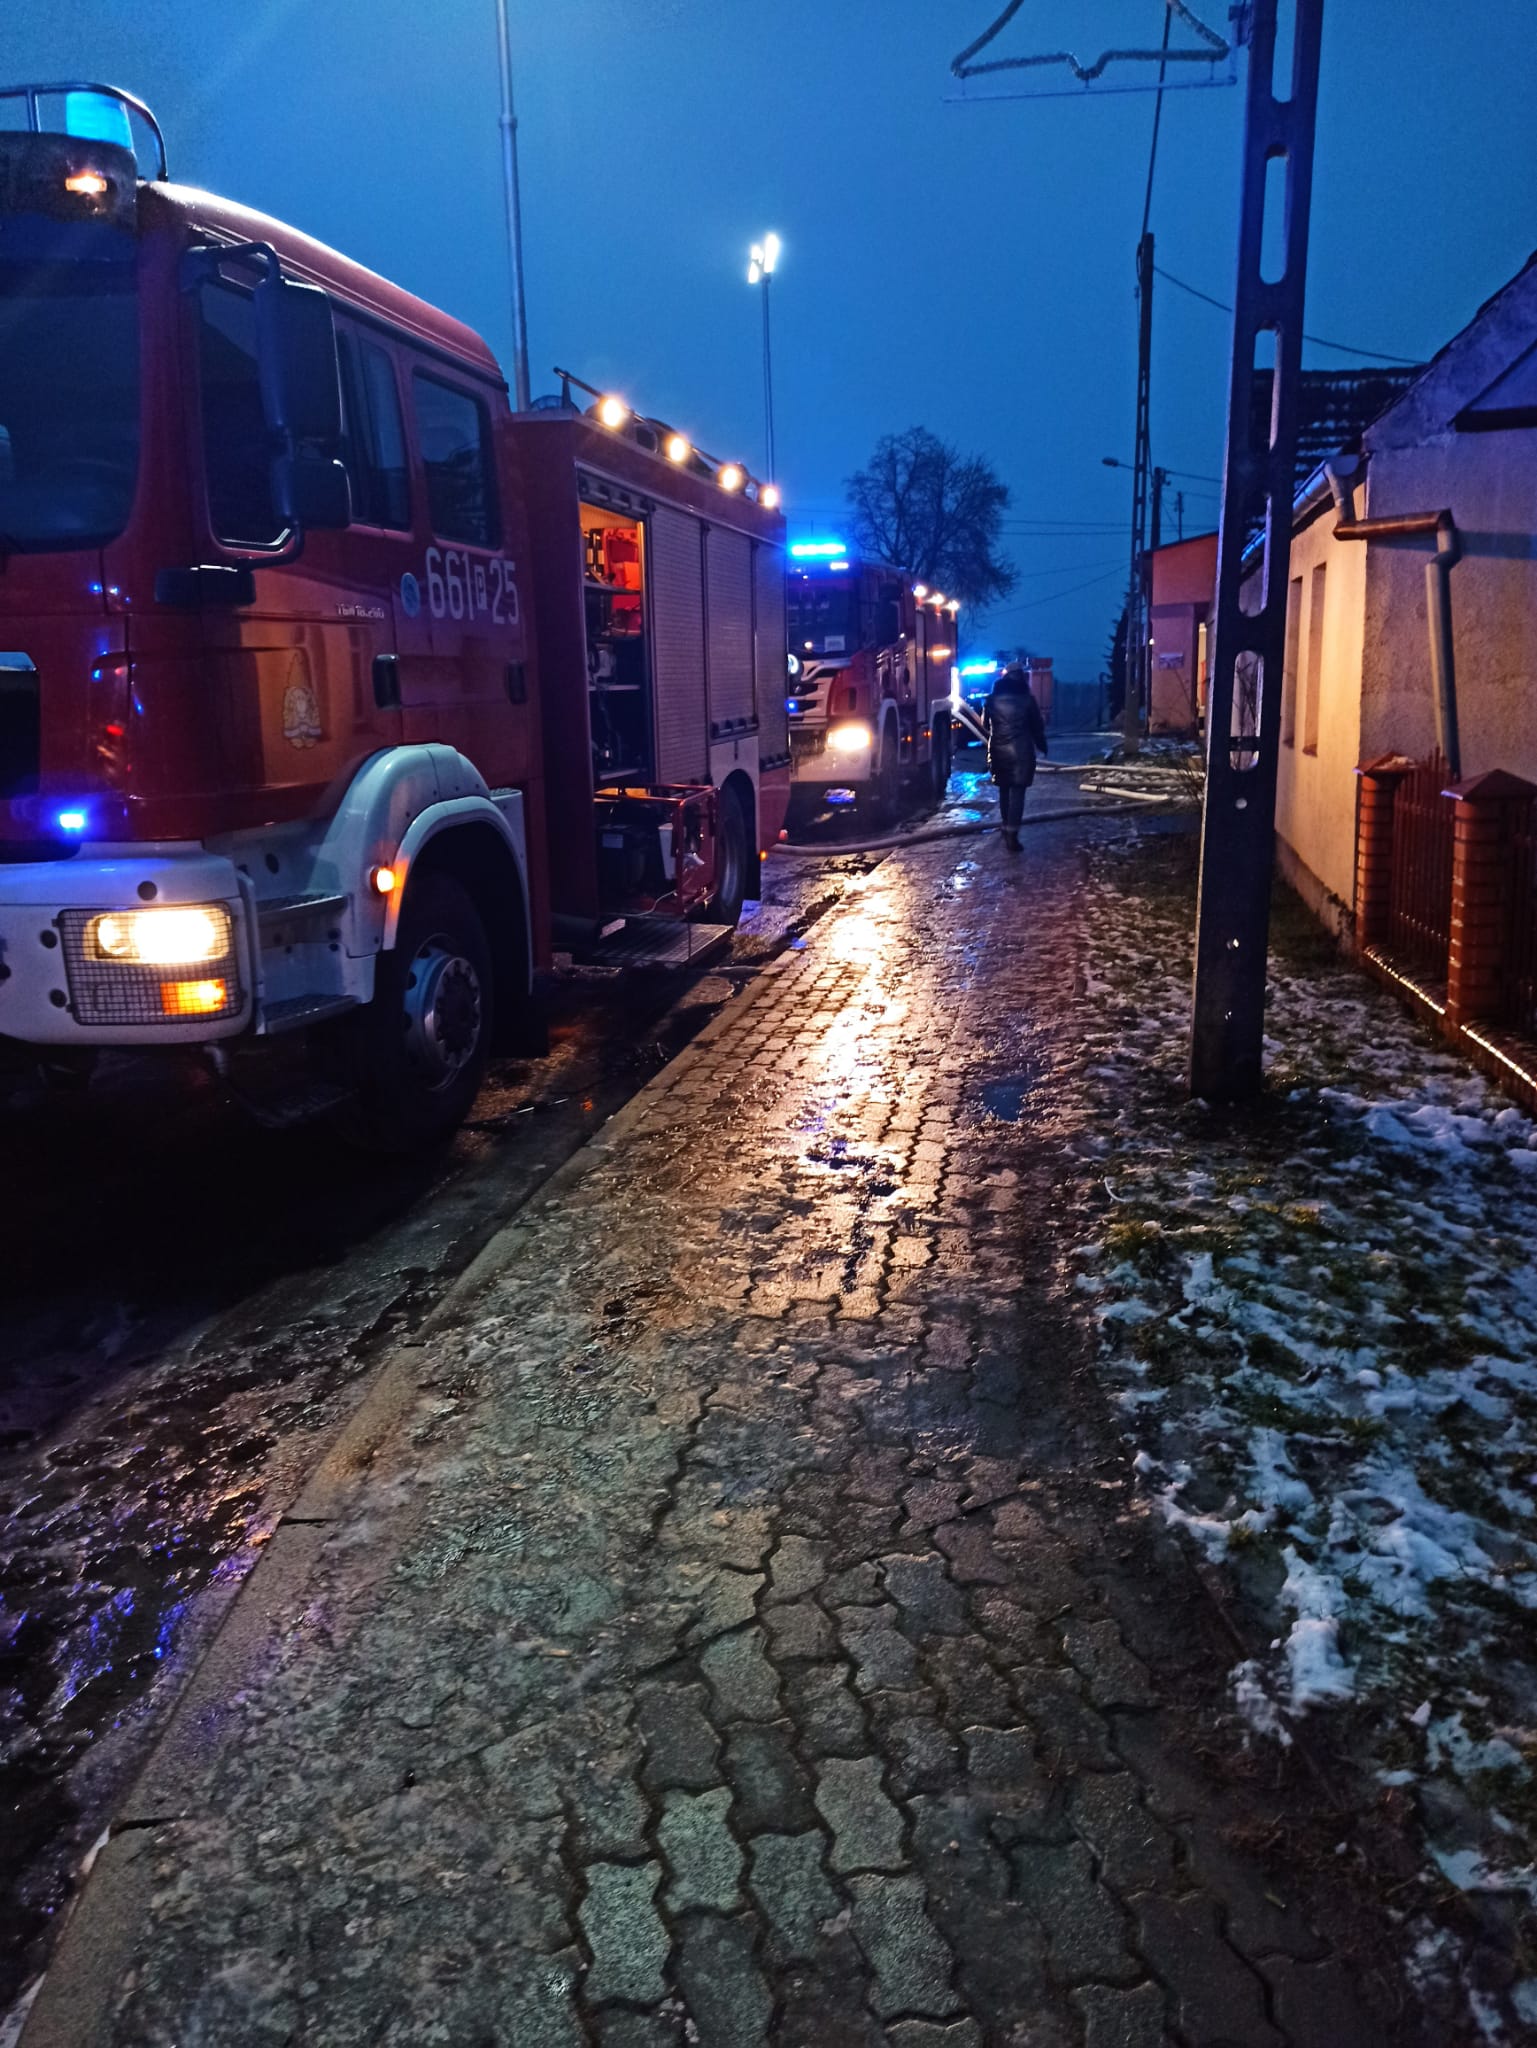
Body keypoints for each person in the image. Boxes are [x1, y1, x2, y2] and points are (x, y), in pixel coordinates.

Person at [983, 662, 1049, 851]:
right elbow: (1037, 727)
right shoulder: (1028, 700)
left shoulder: (991, 700)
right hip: (1021, 751)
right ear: (1022, 677)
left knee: (1004, 789)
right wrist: (1042, 745)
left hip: (998, 750)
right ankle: (1013, 834)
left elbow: (985, 725)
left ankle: (1005, 826)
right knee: (1018, 792)